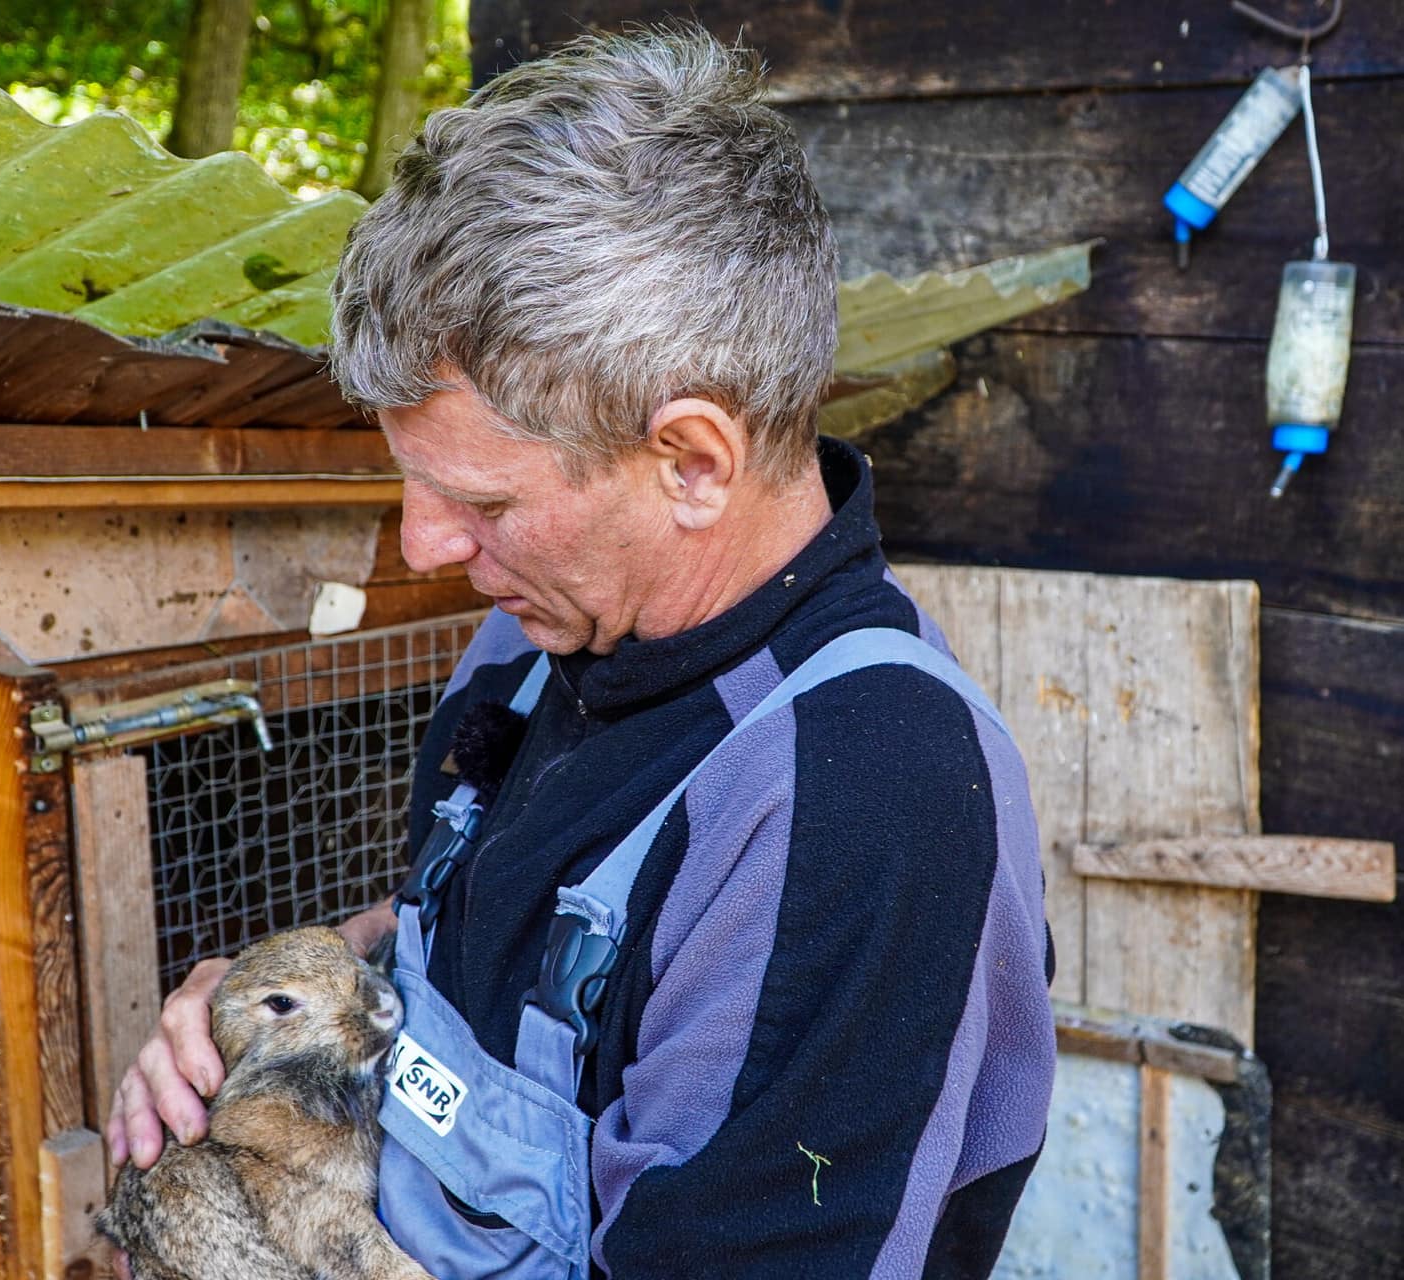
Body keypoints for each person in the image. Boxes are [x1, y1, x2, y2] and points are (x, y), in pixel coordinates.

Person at [107, 25, 1055, 1279]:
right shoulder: (530, 638)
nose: (425, 543)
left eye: (483, 502)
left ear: (693, 462)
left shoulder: (859, 799)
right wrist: (266, 1010)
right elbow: (476, 943)